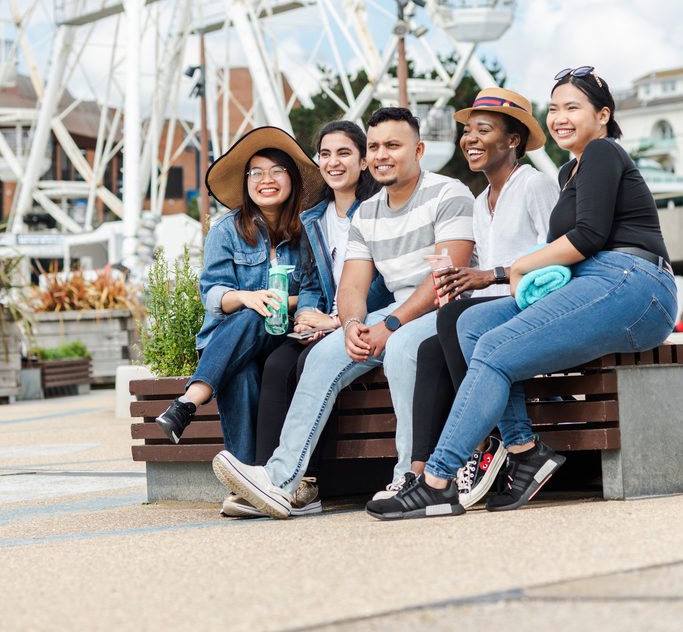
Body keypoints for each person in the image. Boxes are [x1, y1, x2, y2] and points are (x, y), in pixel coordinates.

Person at [367, 67, 677, 520]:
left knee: (492, 347)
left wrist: (518, 267)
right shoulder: (572, 169)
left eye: (573, 107)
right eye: (554, 108)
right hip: (600, 281)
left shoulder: (603, 152)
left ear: (603, 114)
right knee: (470, 323)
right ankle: (524, 448)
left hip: (636, 283)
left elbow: (589, 236)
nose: (560, 117)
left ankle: (436, 481)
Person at [210, 105, 476, 518]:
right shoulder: (367, 213)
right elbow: (352, 283)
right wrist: (351, 325)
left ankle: (410, 478)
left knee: (404, 347)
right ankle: (279, 481)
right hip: (391, 312)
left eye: (394, 145)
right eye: (376, 146)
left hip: (446, 309)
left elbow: (447, 274)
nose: (383, 154)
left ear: (419, 149)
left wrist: (390, 323)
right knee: (322, 355)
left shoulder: (448, 192)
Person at [220, 119, 390, 518]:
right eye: (326, 154)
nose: (334, 162)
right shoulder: (315, 217)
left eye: (345, 153)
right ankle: (263, 481)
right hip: (323, 321)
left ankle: (306, 485)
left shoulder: (378, 210)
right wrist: (310, 313)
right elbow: (312, 278)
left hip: (363, 320)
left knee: (309, 364)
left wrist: (335, 322)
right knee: (278, 364)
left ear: (363, 161)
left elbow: (384, 280)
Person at [410, 88, 558, 509]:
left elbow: (560, 262)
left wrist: (487, 275)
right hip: (490, 314)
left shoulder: (535, 186)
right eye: (467, 130)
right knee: (428, 350)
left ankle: (488, 441)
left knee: (455, 320)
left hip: (531, 310)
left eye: (483, 130)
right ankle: (419, 471)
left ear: (513, 140)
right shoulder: (479, 201)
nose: (469, 139)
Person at [155, 126, 324, 466]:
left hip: (286, 338)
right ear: (247, 182)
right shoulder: (226, 230)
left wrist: (277, 303)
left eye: (277, 171)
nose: (267, 179)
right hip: (231, 339)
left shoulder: (308, 232)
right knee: (242, 371)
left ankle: (190, 400)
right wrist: (247, 298)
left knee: (256, 315)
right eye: (257, 172)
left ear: (291, 179)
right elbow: (213, 295)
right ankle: (250, 477)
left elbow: (312, 290)